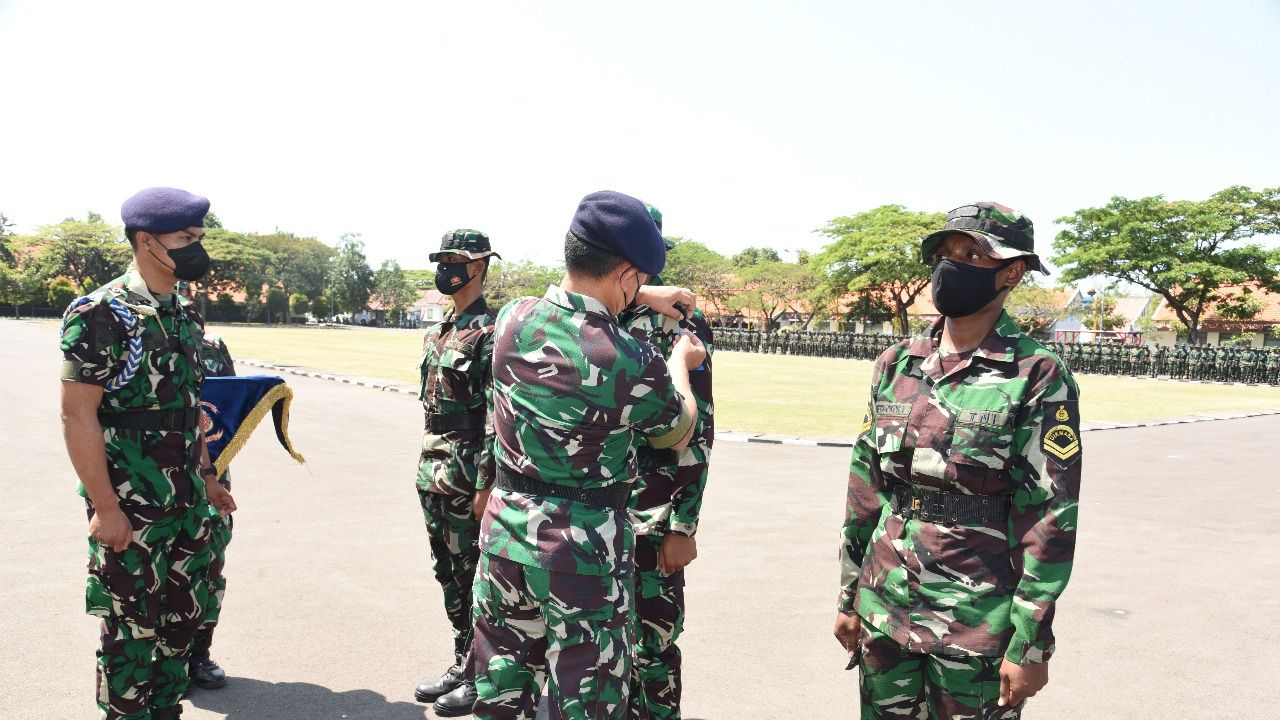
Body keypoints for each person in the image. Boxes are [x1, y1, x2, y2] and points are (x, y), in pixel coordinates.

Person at [833, 202, 1082, 719]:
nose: (951, 267)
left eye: (972, 255)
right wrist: (848, 595)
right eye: (945, 254)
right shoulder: (895, 364)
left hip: (977, 622)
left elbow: (1049, 514)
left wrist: (1030, 643)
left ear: (1011, 272)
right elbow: (866, 488)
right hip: (885, 605)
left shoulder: (1036, 373)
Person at [471, 190, 706, 720]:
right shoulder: (629, 357)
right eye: (637, 282)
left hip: (506, 537)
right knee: (587, 701)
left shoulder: (512, 318)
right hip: (582, 554)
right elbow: (677, 432)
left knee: (501, 693)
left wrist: (640, 291)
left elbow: (571, 302)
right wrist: (679, 365)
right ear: (626, 274)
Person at [60, 187, 236, 720]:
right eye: (184, 238)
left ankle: (166, 711)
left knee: (181, 622)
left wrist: (208, 477)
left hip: (187, 498)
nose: (196, 247)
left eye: (198, 237)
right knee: (131, 630)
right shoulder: (99, 311)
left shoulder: (185, 312)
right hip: (131, 501)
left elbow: (191, 410)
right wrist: (104, 507)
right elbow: (77, 416)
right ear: (146, 241)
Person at [619, 206, 716, 720]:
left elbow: (697, 432)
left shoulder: (680, 323)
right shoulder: (592, 316)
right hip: (591, 516)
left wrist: (683, 525)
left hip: (652, 516)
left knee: (652, 647)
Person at [412, 229, 502, 717]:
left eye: (455, 260)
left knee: (475, 576)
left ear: (479, 266)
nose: (445, 269)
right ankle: (461, 660)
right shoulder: (440, 330)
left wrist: (486, 483)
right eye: (441, 260)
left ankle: (480, 676)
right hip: (433, 468)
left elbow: (495, 415)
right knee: (448, 572)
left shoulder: (491, 330)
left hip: (468, 474)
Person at [189, 296, 237, 691]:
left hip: (214, 474)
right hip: (151, 474)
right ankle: (160, 661)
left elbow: (230, 407)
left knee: (210, 565)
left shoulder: (213, 348)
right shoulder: (133, 335)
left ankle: (199, 654)